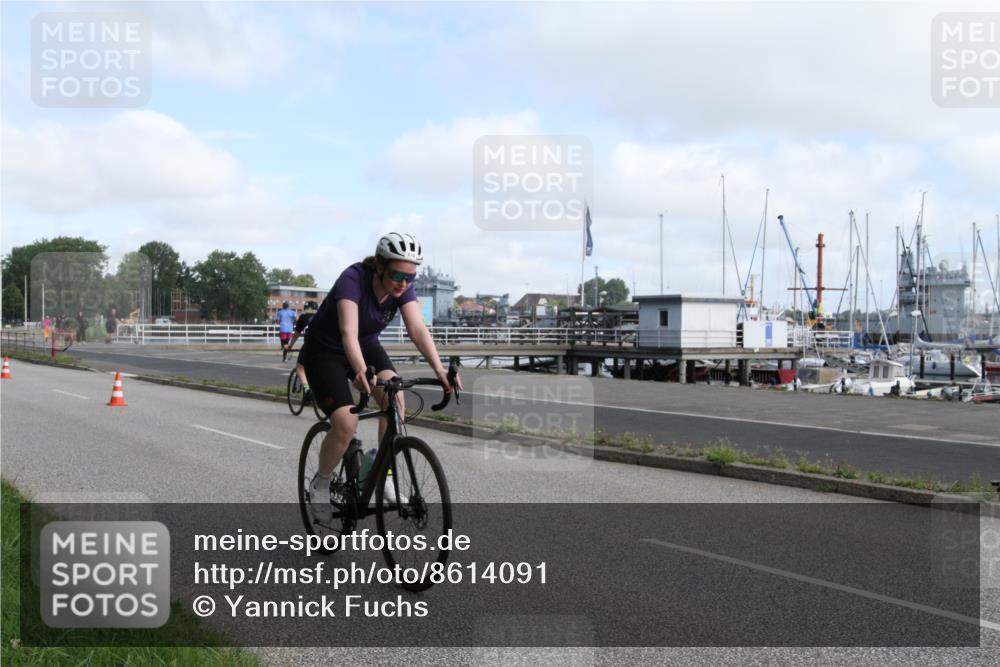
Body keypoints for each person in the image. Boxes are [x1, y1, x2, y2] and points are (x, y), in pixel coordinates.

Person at [302, 232, 461, 520]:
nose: (404, 283)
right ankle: (321, 483)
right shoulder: (353, 279)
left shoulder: (402, 288)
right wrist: (360, 371)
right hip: (325, 351)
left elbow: (417, 330)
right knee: (347, 422)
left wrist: (440, 371)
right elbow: (347, 332)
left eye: (410, 277)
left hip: (365, 346)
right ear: (378, 265)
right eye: (397, 275)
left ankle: (378, 472)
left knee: (395, 399)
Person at [287, 300, 318, 390]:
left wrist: (290, 346)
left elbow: (296, 334)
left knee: (300, 368)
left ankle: (307, 389)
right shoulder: (322, 316)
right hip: (324, 345)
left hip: (309, 345)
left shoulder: (303, 317)